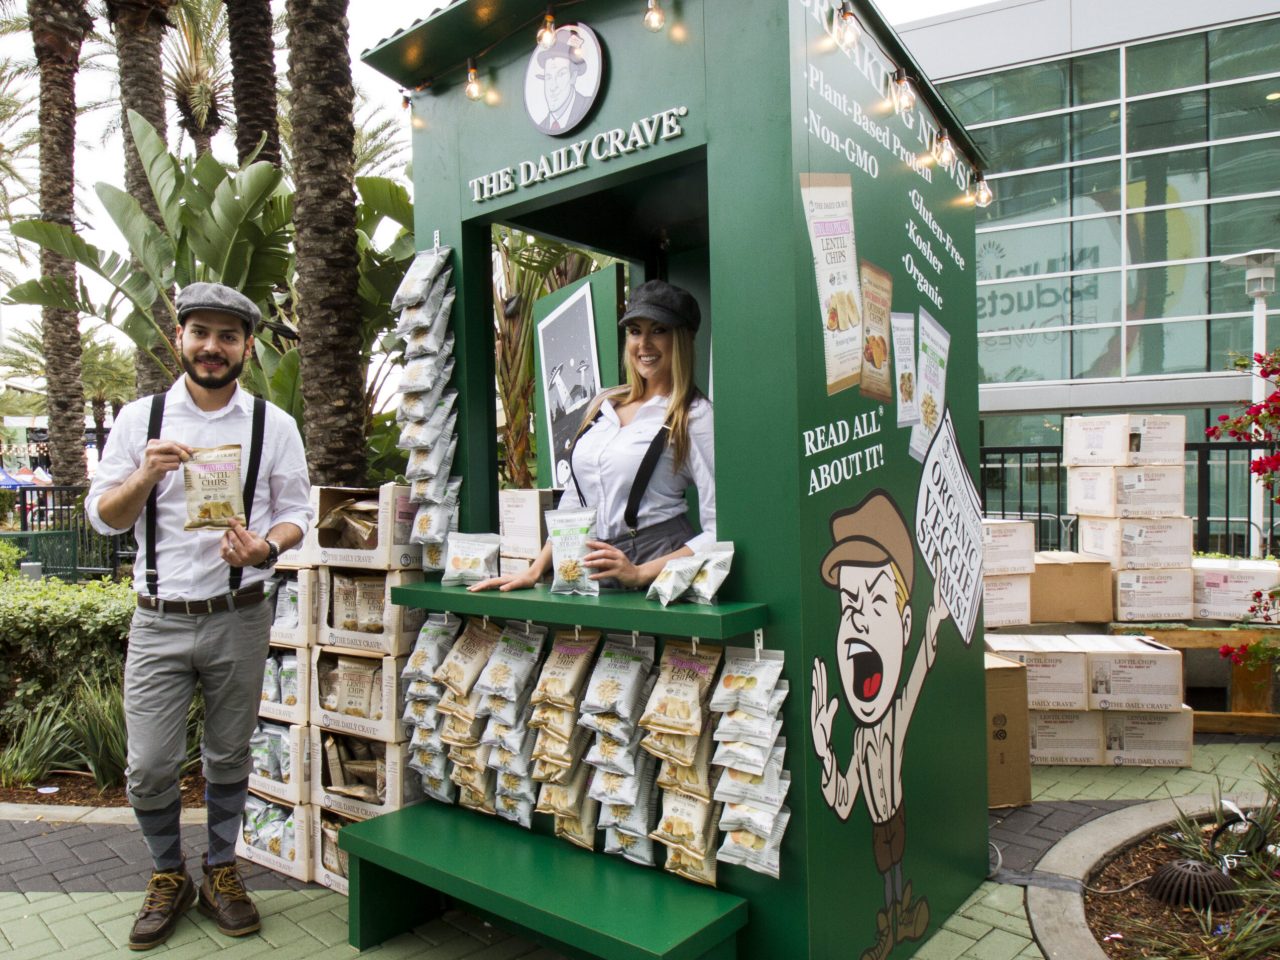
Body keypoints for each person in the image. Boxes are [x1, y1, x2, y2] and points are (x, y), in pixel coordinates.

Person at [86, 282, 312, 950]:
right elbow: (105, 519)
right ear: (180, 337)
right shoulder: (139, 420)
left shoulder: (274, 425)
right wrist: (144, 477)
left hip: (238, 614)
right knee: (150, 765)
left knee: (228, 753)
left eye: (228, 336)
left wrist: (267, 546)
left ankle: (220, 868)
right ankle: (167, 873)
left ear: (246, 346)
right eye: (201, 333)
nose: (213, 347)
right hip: (158, 617)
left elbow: (296, 512)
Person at [473, 279, 714, 591]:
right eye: (635, 331)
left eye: (659, 330)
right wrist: (534, 571)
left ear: (682, 338)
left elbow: (719, 531)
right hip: (591, 564)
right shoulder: (604, 404)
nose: (644, 345)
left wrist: (641, 572)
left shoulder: (695, 415)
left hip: (659, 563)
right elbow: (574, 502)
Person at [810, 491, 949, 960]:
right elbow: (844, 800)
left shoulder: (893, 720)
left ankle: (898, 921)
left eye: (875, 603)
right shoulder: (860, 737)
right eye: (849, 604)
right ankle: (896, 921)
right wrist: (826, 750)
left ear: (903, 625)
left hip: (896, 816)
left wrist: (933, 630)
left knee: (894, 870)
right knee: (887, 866)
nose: (857, 620)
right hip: (877, 824)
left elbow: (913, 680)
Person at [533, 31, 593, 134]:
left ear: (573, 77)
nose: (553, 87)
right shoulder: (543, 125)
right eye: (548, 77)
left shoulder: (587, 106)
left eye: (561, 75)